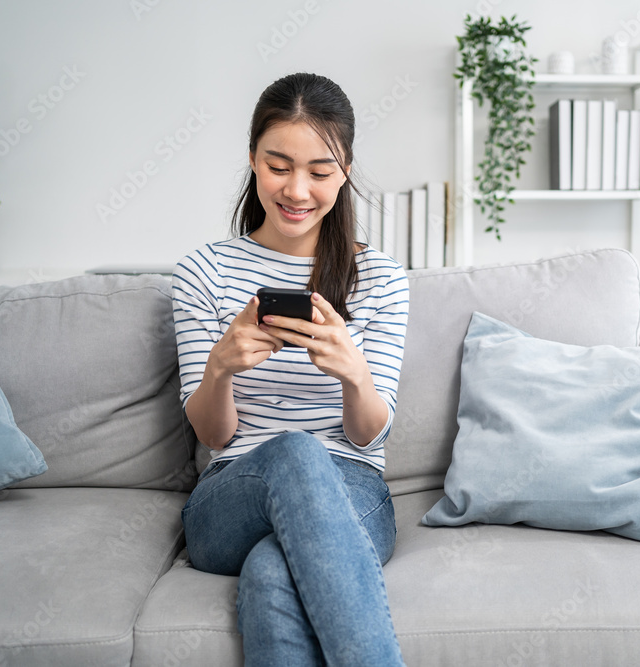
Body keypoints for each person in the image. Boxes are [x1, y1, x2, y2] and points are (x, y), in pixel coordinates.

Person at [170, 72, 409, 666]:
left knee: (274, 569)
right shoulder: (203, 272)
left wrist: (354, 373)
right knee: (297, 452)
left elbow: (368, 435)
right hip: (232, 493)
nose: (297, 189)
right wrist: (220, 369)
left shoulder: (380, 278)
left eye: (320, 172)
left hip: (353, 488)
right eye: (278, 165)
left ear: (345, 170)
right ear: (252, 159)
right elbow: (213, 436)